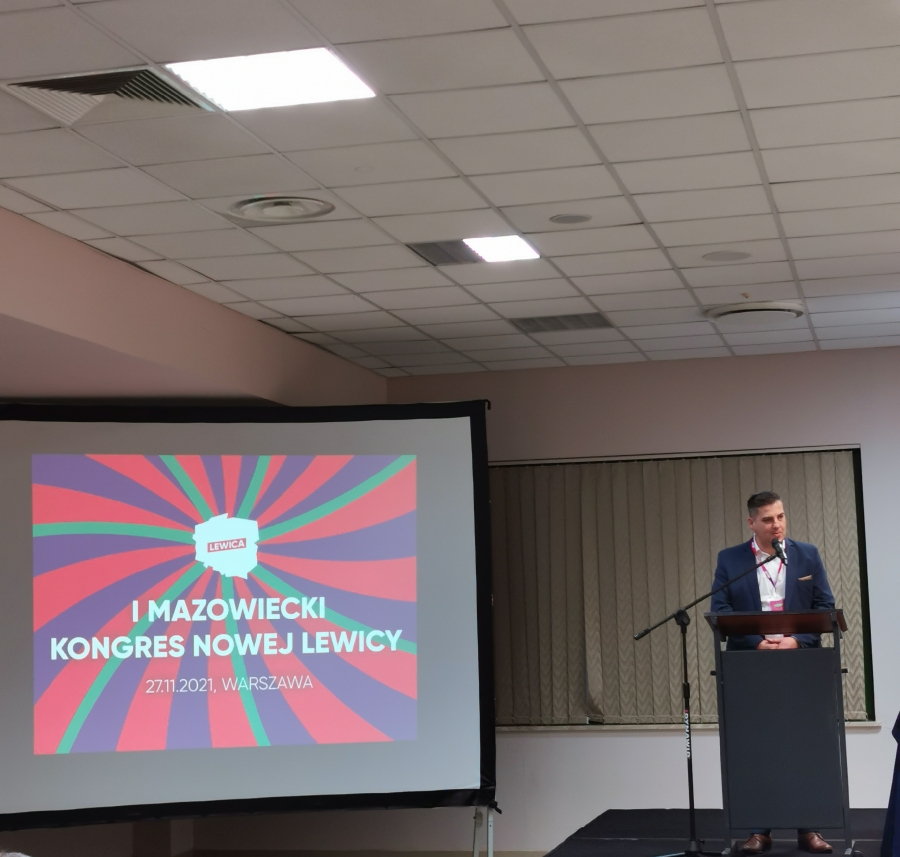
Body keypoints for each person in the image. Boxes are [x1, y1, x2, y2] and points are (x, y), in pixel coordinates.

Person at [711, 490, 836, 855]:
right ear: (752, 523)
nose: (777, 524)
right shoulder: (731, 560)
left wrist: (797, 639)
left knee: (805, 745)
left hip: (800, 664)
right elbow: (720, 610)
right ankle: (758, 829)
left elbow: (824, 606)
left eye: (780, 516)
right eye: (768, 519)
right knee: (756, 746)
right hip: (751, 665)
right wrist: (756, 642)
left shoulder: (807, 555)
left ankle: (809, 827)